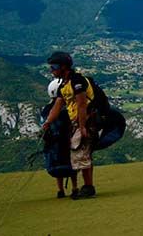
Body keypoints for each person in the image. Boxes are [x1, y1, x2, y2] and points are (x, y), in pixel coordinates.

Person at [42, 51, 97, 200]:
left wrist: (82, 126)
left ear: (64, 67)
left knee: (81, 152)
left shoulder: (77, 81)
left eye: (54, 67)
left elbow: (82, 105)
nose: (52, 70)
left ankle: (88, 187)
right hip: (78, 123)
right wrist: (47, 123)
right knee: (81, 153)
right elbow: (57, 107)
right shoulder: (64, 86)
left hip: (86, 121)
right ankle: (87, 186)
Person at [40, 78, 78, 199]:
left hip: (53, 142)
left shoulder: (46, 110)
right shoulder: (67, 108)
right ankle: (75, 187)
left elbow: (45, 125)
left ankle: (60, 190)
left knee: (57, 161)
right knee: (72, 163)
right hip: (67, 140)